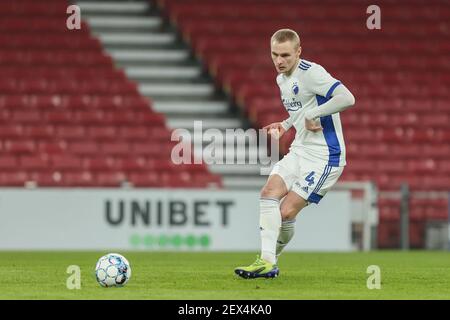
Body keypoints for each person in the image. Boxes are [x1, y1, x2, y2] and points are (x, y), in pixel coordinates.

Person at [234, 29, 356, 279]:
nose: (279, 61)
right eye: (274, 54)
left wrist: (315, 114)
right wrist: (286, 124)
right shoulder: (282, 79)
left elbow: (347, 98)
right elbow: (302, 109)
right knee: (268, 193)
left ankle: (272, 259)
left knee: (286, 212)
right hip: (300, 149)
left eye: (286, 55)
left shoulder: (312, 73)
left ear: (298, 52)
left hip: (325, 156)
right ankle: (266, 263)